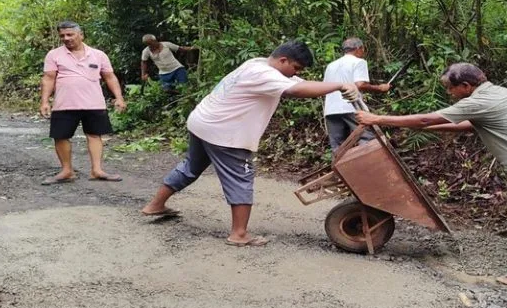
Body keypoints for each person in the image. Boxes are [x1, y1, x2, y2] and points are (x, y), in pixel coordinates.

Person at [355, 63, 507, 284]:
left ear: (465, 85)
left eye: (450, 88)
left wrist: (378, 119)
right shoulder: (500, 92)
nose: (449, 93)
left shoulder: (478, 101)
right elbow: (467, 125)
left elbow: (426, 118)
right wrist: (414, 126)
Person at [140, 40, 358, 246]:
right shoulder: (263, 73)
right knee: (241, 177)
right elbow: (297, 90)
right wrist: (339, 85)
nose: (297, 72)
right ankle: (239, 234)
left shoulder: (257, 63)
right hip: (224, 133)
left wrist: (346, 86)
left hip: (202, 122)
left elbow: (300, 83)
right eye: (296, 67)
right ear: (283, 60)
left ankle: (155, 205)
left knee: (191, 166)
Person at [39, 21, 127, 185]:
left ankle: (97, 170)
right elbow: (48, 78)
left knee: (94, 135)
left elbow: (110, 76)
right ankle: (67, 171)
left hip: (94, 103)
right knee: (61, 136)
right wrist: (45, 101)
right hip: (64, 103)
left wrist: (119, 97)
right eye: (62, 36)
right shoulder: (54, 55)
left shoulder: (98, 55)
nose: (66, 38)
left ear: (81, 35)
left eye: (70, 34)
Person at [322, 37, 390, 152]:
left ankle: (345, 170)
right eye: (363, 49)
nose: (363, 52)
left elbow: (324, 87)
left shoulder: (331, 65)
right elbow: (360, 84)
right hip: (351, 107)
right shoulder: (359, 62)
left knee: (339, 148)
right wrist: (380, 88)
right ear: (358, 49)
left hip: (331, 109)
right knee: (367, 139)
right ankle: (372, 167)